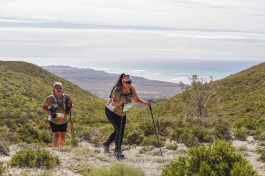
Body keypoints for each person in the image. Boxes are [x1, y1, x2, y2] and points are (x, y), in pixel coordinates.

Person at [102, 73, 151, 158]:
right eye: (128, 83)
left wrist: (146, 104)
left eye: (130, 82)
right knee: (119, 130)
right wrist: (121, 102)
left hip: (122, 112)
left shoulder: (131, 89)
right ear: (123, 83)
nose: (129, 84)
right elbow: (113, 103)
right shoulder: (117, 89)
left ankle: (106, 144)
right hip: (111, 111)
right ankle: (117, 151)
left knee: (119, 130)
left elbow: (137, 99)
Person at [42, 82, 73, 147]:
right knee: (56, 135)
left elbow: (71, 105)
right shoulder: (50, 98)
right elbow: (44, 107)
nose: (59, 89)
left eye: (60, 88)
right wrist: (50, 112)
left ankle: (62, 150)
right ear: (54, 89)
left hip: (64, 119)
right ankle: (55, 151)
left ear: (62, 89)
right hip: (54, 120)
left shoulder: (67, 97)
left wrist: (70, 106)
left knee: (63, 135)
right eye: (57, 88)